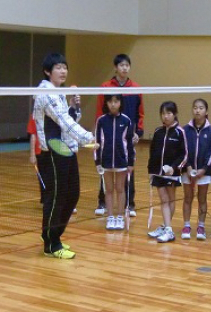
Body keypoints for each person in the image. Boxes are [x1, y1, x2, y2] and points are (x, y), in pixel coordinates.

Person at [33, 53, 94, 259]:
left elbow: (68, 118)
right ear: (47, 71)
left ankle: (52, 235)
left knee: (72, 194)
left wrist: (74, 106)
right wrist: (88, 138)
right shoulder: (45, 92)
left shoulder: (58, 92)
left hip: (66, 149)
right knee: (56, 197)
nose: (63, 71)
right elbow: (63, 121)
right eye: (58, 67)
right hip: (52, 152)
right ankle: (51, 243)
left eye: (65, 67)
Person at [95, 54, 144, 217]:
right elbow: (99, 111)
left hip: (127, 134)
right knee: (105, 170)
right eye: (121, 65)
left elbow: (140, 113)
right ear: (115, 67)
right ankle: (102, 202)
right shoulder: (105, 86)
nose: (124, 68)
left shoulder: (136, 88)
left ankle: (130, 204)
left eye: (127, 65)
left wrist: (138, 132)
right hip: (108, 135)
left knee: (128, 169)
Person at [147, 101, 187, 243]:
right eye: (163, 113)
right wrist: (150, 171)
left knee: (169, 199)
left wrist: (174, 167)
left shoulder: (180, 132)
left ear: (174, 114)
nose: (166, 116)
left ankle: (167, 228)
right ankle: (167, 227)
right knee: (164, 200)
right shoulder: (158, 132)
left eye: (169, 113)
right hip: (158, 172)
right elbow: (152, 152)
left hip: (172, 174)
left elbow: (184, 155)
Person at [95, 95, 135, 230]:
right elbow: (97, 142)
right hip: (105, 161)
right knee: (109, 190)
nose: (113, 104)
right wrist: (97, 161)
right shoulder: (101, 121)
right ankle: (110, 216)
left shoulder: (126, 120)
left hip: (121, 161)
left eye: (116, 101)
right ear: (106, 103)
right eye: (110, 101)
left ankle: (120, 217)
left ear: (120, 103)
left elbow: (130, 143)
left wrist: (130, 162)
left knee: (120, 189)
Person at [182, 99, 211, 240]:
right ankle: (186, 225)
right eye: (195, 107)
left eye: (201, 108)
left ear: (206, 111)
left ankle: (201, 226)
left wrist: (203, 169)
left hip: (204, 171)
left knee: (202, 198)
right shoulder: (185, 129)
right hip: (187, 170)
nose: (198, 110)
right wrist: (189, 167)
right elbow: (183, 150)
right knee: (187, 198)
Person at [27, 114, 43, 203]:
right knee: (42, 177)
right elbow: (33, 135)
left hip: (50, 151)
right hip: (39, 151)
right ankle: (45, 198)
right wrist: (32, 154)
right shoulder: (34, 115)